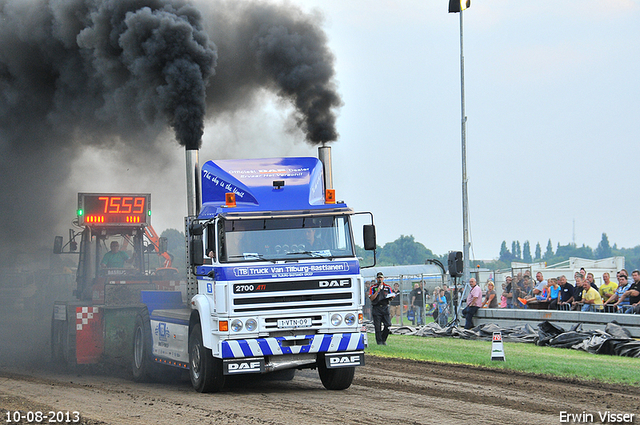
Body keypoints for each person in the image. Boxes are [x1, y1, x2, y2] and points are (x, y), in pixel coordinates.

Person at [369, 272, 394, 345]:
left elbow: (390, 296)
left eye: (381, 278)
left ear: (383, 278)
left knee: (388, 324)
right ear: (377, 279)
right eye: (378, 278)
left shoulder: (387, 287)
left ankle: (383, 339)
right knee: (377, 326)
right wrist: (377, 291)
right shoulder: (373, 287)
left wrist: (391, 297)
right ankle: (379, 342)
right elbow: (371, 298)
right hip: (376, 308)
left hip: (385, 307)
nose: (380, 279)